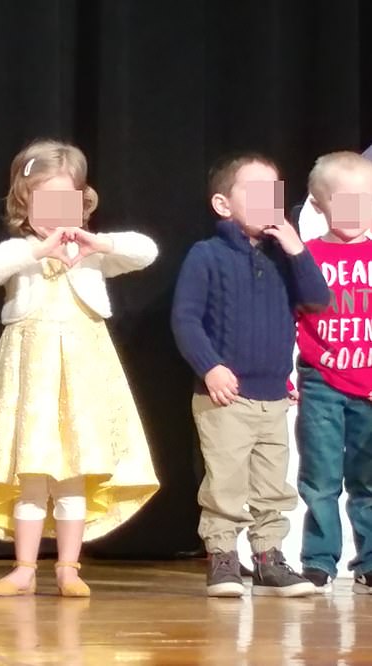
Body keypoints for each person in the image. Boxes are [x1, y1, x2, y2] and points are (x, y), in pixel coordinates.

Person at [0, 139, 160, 597]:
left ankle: (69, 567)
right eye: (43, 199)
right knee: (31, 473)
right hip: (30, 377)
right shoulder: (22, 251)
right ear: (24, 201)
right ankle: (25, 567)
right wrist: (38, 249)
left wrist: (97, 242)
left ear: (82, 202)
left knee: (73, 472)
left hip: (82, 373)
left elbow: (146, 251)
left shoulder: (93, 252)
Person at [171, 152, 330, 597]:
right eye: (255, 192)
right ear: (224, 204)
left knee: (271, 481)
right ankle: (222, 554)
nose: (268, 201)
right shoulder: (206, 255)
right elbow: (186, 319)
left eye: (274, 193)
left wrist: (297, 248)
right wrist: (211, 367)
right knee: (226, 478)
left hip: (274, 396)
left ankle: (269, 556)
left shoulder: (285, 257)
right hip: (226, 395)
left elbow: (318, 300)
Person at [295, 151, 372, 593]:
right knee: (321, 478)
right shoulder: (308, 256)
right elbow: (288, 315)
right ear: (319, 205)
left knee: (367, 478)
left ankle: (369, 558)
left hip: (368, 388)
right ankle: (319, 560)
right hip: (322, 381)